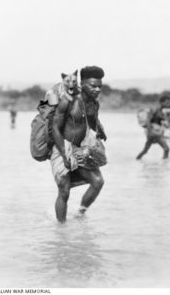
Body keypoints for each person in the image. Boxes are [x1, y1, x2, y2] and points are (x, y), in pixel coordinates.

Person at [51, 66, 107, 223]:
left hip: (81, 149)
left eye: (99, 86)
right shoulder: (68, 101)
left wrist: (101, 130)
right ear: (82, 83)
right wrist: (64, 153)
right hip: (63, 146)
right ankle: (61, 230)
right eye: (93, 85)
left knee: (98, 182)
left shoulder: (94, 103)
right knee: (64, 189)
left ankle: (80, 214)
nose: (97, 89)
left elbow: (93, 119)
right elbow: (55, 127)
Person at [136, 95, 170, 160]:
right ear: (162, 102)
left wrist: (166, 124)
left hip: (154, 132)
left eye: (169, 102)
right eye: (167, 102)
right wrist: (150, 131)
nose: (168, 104)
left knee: (145, 151)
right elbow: (148, 119)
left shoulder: (161, 111)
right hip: (154, 133)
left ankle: (137, 159)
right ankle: (165, 164)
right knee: (166, 149)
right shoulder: (156, 109)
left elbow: (159, 121)